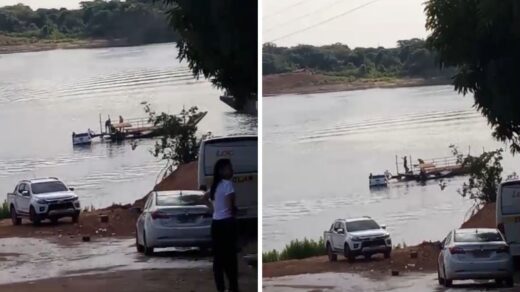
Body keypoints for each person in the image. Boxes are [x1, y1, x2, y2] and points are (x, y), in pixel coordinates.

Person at [205, 159, 238, 292]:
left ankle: (221, 288)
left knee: (218, 259)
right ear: (221, 171)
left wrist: (214, 210)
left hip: (216, 224)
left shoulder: (214, 186)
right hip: (227, 223)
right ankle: (233, 287)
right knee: (230, 257)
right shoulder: (228, 184)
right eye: (229, 168)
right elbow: (231, 206)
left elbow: (204, 199)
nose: (232, 170)